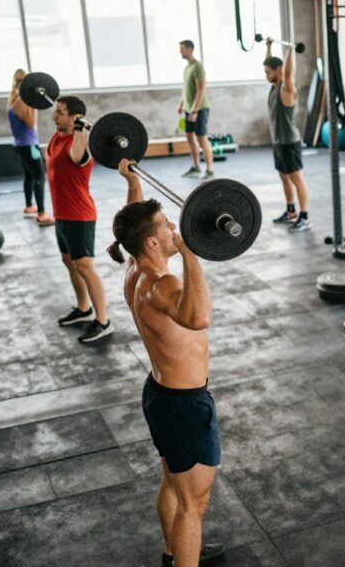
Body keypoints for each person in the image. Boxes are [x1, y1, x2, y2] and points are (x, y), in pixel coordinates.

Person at [110, 159, 225, 567]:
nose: (174, 229)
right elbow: (199, 317)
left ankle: (174, 553)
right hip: (185, 404)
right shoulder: (164, 284)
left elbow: (133, 225)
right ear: (153, 244)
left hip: (160, 395)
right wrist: (195, 254)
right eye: (167, 227)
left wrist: (132, 182)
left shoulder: (133, 270)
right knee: (194, 503)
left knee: (173, 483)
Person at [49, 95, 113, 344]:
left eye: (60, 112)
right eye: (55, 111)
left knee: (85, 267)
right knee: (69, 263)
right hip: (61, 215)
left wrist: (80, 130)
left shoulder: (80, 146)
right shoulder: (57, 138)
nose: (54, 116)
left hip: (79, 216)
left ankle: (103, 321)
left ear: (74, 116)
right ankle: (83, 307)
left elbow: (77, 157)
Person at [263, 37, 310, 232]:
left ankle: (304, 216)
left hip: (290, 142)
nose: (266, 75)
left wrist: (290, 50)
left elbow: (288, 73)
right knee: (284, 177)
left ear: (278, 71)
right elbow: (271, 63)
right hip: (279, 142)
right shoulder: (274, 86)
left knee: (296, 179)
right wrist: (269, 47)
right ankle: (290, 211)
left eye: (268, 72)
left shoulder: (286, 89)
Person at [7, 69, 54, 226]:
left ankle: (29, 206)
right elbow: (31, 123)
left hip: (21, 145)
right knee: (40, 176)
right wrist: (34, 104)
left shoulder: (13, 99)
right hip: (28, 146)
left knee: (29, 176)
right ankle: (41, 214)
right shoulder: (22, 101)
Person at [178, 40, 214, 179]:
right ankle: (196, 167)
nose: (180, 51)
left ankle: (210, 170)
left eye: (182, 49)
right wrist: (181, 104)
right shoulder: (187, 67)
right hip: (188, 108)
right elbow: (186, 88)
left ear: (190, 49)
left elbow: (200, 90)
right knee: (189, 136)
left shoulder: (198, 67)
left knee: (201, 139)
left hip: (200, 109)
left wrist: (194, 110)